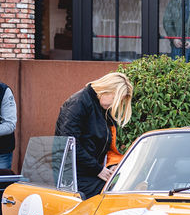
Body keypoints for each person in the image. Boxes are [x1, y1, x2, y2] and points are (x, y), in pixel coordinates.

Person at [55, 72, 133, 200]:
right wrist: (98, 170)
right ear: (107, 90)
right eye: (115, 99)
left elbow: (106, 145)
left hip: (90, 172)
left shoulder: (102, 108)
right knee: (114, 195)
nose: (114, 104)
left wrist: (110, 166)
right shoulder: (78, 103)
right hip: (72, 177)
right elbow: (69, 145)